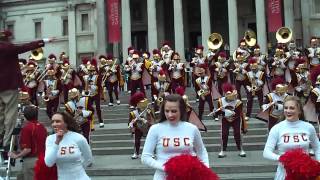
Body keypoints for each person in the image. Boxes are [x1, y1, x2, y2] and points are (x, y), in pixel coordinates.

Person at [0, 29, 53, 150]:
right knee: (10, 113)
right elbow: (26, 46)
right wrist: (44, 41)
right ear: (8, 38)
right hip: (9, 85)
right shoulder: (9, 47)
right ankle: (6, 141)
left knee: (0, 113)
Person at [141, 94, 209, 180]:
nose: (170, 115)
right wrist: (167, 168)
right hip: (163, 176)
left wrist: (205, 170)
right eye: (167, 111)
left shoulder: (192, 128)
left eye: (174, 111)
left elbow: (202, 152)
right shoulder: (155, 129)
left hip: (189, 176)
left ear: (181, 110)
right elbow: (145, 157)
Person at [263, 96, 320, 180]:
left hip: (305, 174)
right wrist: (283, 158)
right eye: (286, 108)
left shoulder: (308, 127)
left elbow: (317, 147)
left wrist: (318, 163)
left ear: (299, 111)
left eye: (292, 108)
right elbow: (266, 152)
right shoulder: (277, 128)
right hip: (284, 173)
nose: (288, 111)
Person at [45, 112, 93, 180]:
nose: (54, 124)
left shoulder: (78, 137)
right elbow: (49, 163)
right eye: (52, 122)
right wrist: (57, 142)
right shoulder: (50, 139)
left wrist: (77, 168)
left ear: (66, 123)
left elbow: (88, 159)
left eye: (58, 121)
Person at [9, 105, 47, 180]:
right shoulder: (42, 126)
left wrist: (16, 156)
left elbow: (27, 149)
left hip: (31, 161)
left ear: (25, 116)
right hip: (43, 159)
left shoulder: (27, 128)